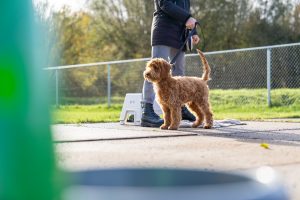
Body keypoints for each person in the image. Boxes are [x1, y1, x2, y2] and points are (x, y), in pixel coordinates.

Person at [141, 0, 200, 127]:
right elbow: (165, 4)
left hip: (180, 34)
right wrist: (187, 18)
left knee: (179, 72)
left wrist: (193, 31)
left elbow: (186, 11)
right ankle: (147, 110)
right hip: (163, 30)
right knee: (153, 71)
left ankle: (181, 108)